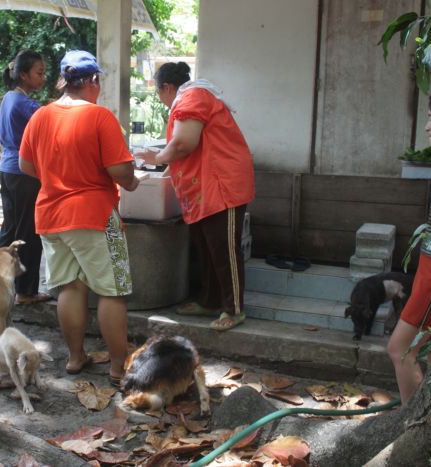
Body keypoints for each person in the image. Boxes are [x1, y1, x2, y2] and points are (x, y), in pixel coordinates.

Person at [19, 50, 139, 384]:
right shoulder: (99, 116)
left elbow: (26, 165)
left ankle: (75, 357)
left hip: (51, 216)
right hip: (95, 215)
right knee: (111, 292)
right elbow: (120, 170)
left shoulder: (40, 116)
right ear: (93, 81)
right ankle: (117, 367)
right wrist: (131, 179)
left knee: (70, 288)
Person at [136, 62, 255, 332]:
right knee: (207, 247)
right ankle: (210, 301)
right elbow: (182, 149)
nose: (161, 100)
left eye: (158, 93)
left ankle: (233, 309)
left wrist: (155, 158)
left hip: (222, 184)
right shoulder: (192, 97)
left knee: (224, 250)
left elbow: (182, 144)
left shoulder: (192, 98)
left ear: (166, 87)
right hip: (206, 186)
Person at [387, 93, 431, 403]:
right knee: (429, 355)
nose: (428, 128)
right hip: (428, 269)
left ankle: (413, 427)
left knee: (400, 349)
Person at [0, 50, 50, 305]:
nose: (43, 77)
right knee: (29, 232)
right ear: (23, 75)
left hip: (6, 171)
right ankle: (26, 292)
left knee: (10, 230)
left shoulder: (8, 98)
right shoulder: (27, 105)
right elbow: (52, 127)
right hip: (25, 173)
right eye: (39, 73)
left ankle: (1, 284)